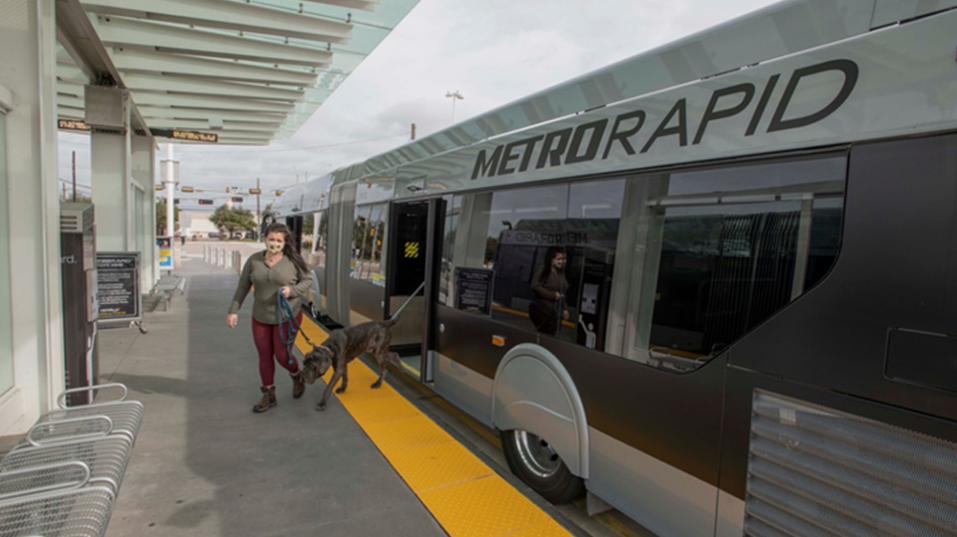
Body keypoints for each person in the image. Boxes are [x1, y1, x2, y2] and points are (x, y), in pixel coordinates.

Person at [227, 223, 313, 413]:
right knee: (264, 355)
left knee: (283, 356)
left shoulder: (293, 261)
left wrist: (292, 291)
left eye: (279, 241)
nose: (274, 243)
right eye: (271, 239)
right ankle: (269, 394)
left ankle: (296, 375)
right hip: (261, 316)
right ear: (265, 239)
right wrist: (233, 310)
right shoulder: (254, 261)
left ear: (285, 242)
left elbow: (308, 280)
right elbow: (243, 286)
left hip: (287, 317)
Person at [529, 246, 569, 336]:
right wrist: (552, 295)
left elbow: (562, 293)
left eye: (564, 259)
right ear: (551, 259)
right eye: (559, 259)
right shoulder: (543, 271)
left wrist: (565, 309)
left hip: (554, 312)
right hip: (542, 310)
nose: (562, 261)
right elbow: (535, 286)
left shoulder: (560, 273)